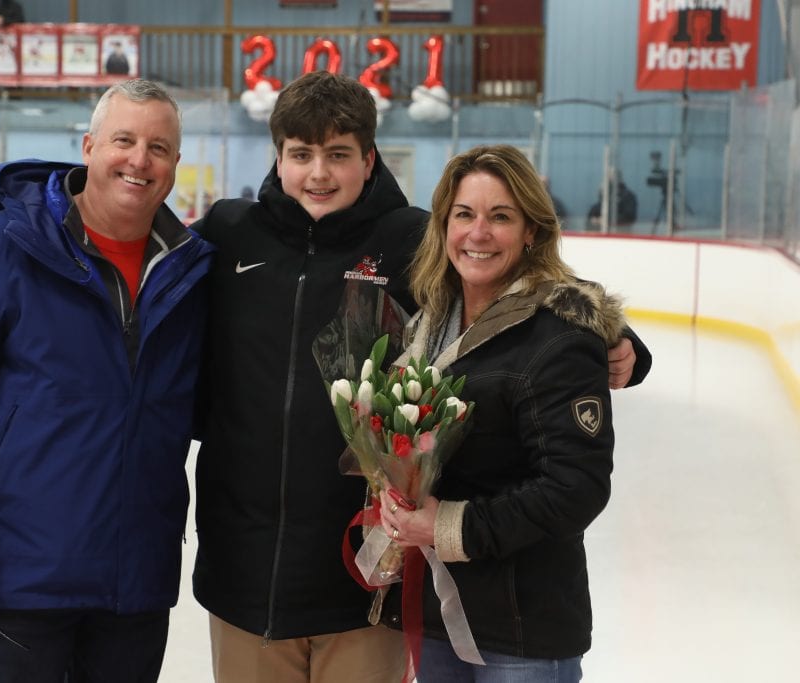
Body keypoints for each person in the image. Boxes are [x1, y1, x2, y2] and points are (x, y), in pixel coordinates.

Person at [190, 71, 650, 683]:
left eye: (338, 155)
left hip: (366, 580)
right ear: (278, 158)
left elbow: (531, 289)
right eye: (301, 155)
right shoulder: (229, 233)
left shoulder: (410, 238)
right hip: (244, 575)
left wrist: (619, 339)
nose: (319, 173)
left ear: (368, 159)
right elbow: (150, 282)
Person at [0, 79, 213, 682]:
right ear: (89, 147)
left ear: (175, 163)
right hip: (18, 582)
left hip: (134, 586)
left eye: (158, 148)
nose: (139, 160)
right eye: (123, 140)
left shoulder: (190, 272)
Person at [377, 144, 639, 681]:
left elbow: (576, 487)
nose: (478, 233)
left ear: (531, 232)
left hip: (523, 629)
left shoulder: (560, 336)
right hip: (439, 612)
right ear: (443, 226)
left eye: (500, 217)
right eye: (464, 215)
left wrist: (450, 526)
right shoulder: (428, 325)